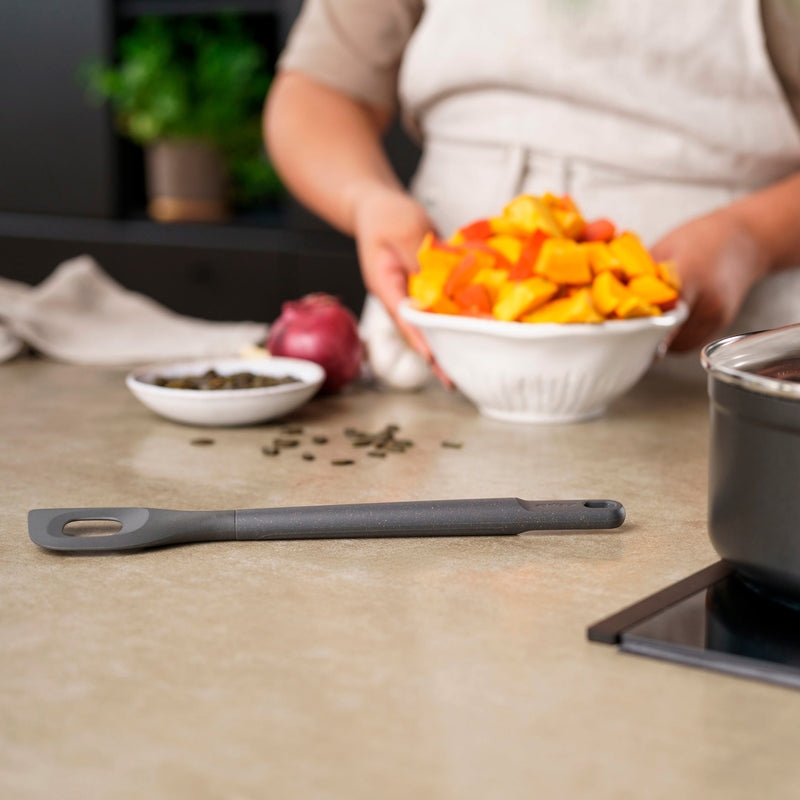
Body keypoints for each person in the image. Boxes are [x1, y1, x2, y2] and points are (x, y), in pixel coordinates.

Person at [264, 0, 800, 388]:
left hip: (730, 377)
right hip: (441, 356)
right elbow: (316, 93)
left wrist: (750, 237)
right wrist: (369, 200)